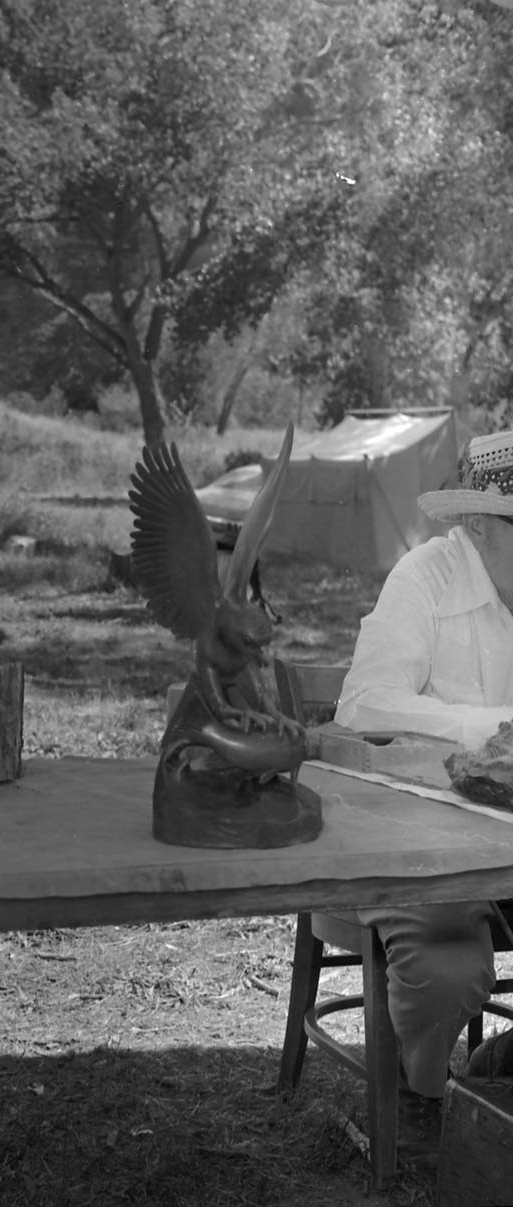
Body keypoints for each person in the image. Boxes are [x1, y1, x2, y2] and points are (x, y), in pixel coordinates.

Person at [333, 429, 513, 1157]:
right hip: (422, 843)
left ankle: (499, 1069)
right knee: (449, 968)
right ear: (476, 524)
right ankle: (424, 1090)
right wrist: (490, 729)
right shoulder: (425, 579)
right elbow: (362, 706)